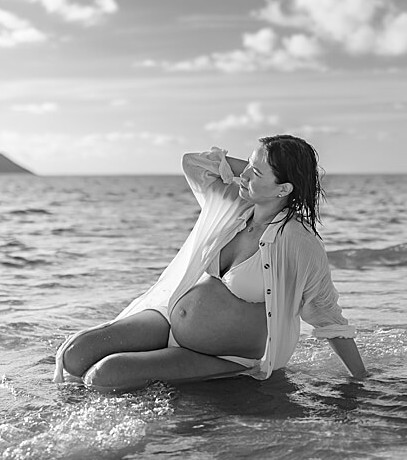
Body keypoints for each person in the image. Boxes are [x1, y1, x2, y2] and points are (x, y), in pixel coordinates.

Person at [53, 135, 368, 391]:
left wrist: (360, 380)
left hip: (226, 355)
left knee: (103, 376)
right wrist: (260, 168)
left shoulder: (298, 241)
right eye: (248, 165)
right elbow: (194, 163)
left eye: (256, 173)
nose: (243, 175)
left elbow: (327, 315)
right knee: (74, 355)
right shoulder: (235, 203)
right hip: (169, 321)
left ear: (284, 189)